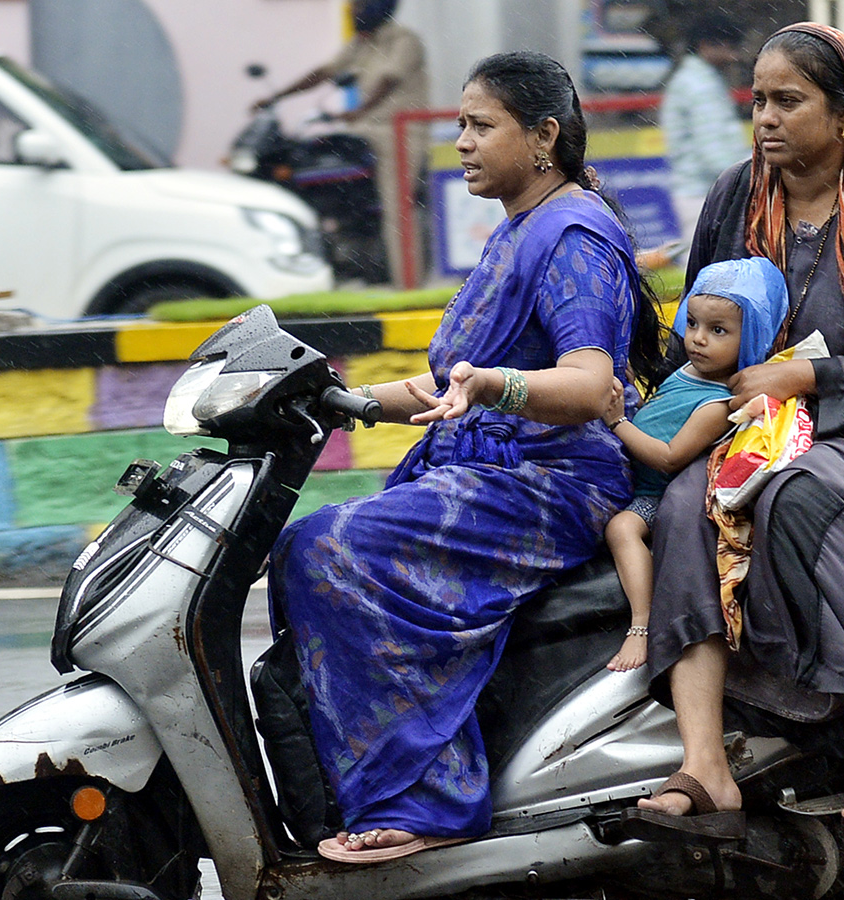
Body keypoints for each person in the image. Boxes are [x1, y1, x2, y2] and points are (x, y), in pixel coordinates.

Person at [269, 51, 665, 864]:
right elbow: (459, 377)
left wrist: (493, 389)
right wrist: (343, 400)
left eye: (482, 125)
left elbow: (590, 386)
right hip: (488, 472)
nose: (461, 143)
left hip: (551, 483)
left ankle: (426, 802)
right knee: (304, 544)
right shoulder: (523, 225)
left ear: (544, 135)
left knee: (329, 549)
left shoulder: (573, 237)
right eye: (460, 124)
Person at [621, 22, 844, 843]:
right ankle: (705, 764)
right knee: (679, 506)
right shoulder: (735, 199)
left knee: (799, 499)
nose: (766, 119)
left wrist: (804, 377)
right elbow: (696, 333)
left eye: (789, 101)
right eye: (758, 101)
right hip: (747, 428)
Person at [602, 257, 787, 672]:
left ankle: (641, 625)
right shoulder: (687, 371)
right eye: (693, 325)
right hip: (625, 471)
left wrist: (616, 422)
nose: (699, 340)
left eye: (718, 331)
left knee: (622, 528)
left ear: (752, 335)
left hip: (653, 493)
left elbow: (669, 458)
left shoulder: (717, 405)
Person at [257, 0, 429, 287]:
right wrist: (277, 97)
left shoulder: (404, 40)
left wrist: (359, 110)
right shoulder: (361, 44)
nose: (352, 10)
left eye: (359, 5)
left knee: (398, 210)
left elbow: (388, 79)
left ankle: (406, 285)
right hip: (363, 130)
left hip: (397, 132)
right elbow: (323, 72)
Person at [660, 12, 750, 253]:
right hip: (705, 195)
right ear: (706, 45)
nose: (735, 56)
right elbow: (715, 155)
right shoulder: (699, 85)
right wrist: (752, 176)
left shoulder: (700, 79)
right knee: (710, 274)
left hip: (704, 193)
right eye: (730, 46)